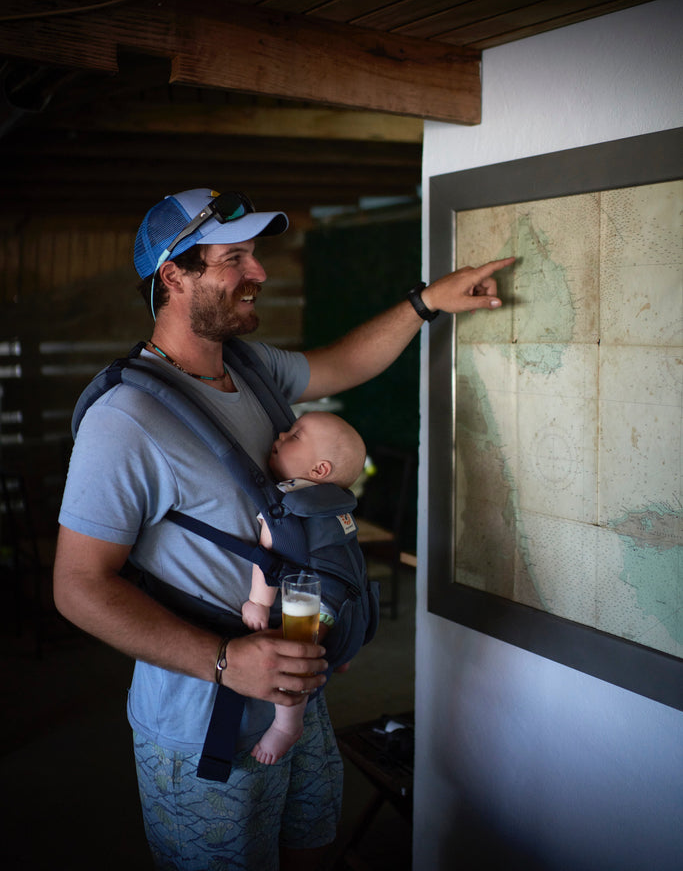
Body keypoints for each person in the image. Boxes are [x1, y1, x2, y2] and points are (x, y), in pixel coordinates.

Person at [53, 187, 514, 871]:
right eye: (235, 257)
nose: (259, 273)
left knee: (311, 852)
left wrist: (425, 304)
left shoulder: (251, 369)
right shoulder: (125, 419)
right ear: (174, 276)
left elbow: (343, 363)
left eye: (256, 255)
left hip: (294, 695)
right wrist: (223, 660)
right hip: (199, 718)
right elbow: (77, 587)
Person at [242, 410, 367, 765]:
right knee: (311, 647)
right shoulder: (334, 504)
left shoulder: (288, 505)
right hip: (341, 601)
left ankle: (286, 725)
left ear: (319, 470)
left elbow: (270, 552)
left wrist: (258, 604)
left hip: (310, 604)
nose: (281, 434)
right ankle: (335, 653)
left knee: (289, 663)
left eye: (295, 436)